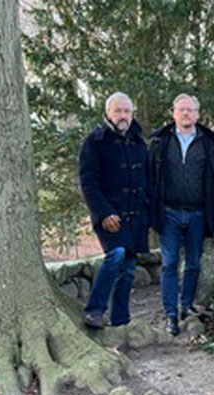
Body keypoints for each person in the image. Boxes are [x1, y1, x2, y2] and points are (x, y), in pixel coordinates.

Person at [150, 94, 214, 336]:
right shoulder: (160, 142)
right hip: (169, 213)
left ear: (197, 114)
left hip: (198, 214)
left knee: (193, 263)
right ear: (173, 113)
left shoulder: (208, 144)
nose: (186, 114)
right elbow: (149, 178)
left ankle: (186, 306)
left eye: (190, 110)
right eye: (182, 110)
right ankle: (171, 314)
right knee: (170, 264)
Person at [78, 91, 150, 329]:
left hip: (135, 216)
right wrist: (104, 213)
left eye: (127, 111)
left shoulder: (140, 143)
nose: (122, 115)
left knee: (128, 268)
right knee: (116, 254)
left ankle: (121, 319)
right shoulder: (94, 142)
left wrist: (147, 213)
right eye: (118, 111)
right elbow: (88, 182)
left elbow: (148, 181)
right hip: (108, 214)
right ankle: (95, 309)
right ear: (107, 113)